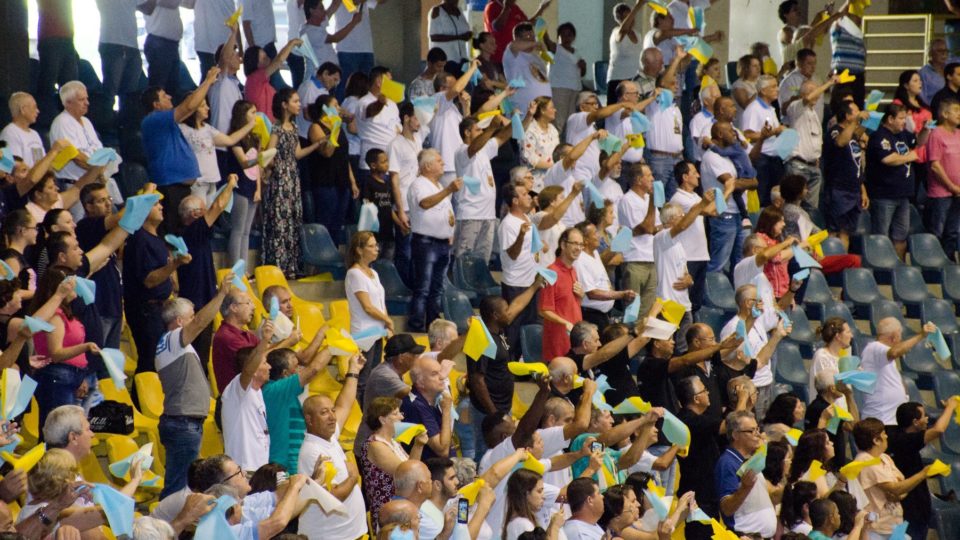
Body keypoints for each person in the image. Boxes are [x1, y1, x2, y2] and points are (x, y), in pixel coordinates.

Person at [155, 273, 234, 499]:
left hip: (185, 422)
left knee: (182, 485)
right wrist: (221, 295)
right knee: (178, 487)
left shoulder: (173, 346)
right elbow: (201, 322)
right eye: (190, 316)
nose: (195, 320)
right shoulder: (172, 339)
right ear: (179, 321)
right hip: (183, 422)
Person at [467, 281, 542, 461]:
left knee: (502, 453)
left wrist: (533, 287)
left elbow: (517, 306)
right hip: (487, 411)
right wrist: (494, 414)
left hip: (501, 407)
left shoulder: (499, 331)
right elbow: (477, 379)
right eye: (505, 310)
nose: (509, 313)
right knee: (485, 454)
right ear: (495, 314)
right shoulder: (481, 339)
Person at [296, 355, 366, 540]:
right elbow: (333, 496)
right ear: (309, 420)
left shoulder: (330, 436)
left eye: (331, 411)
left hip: (349, 534)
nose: (332, 417)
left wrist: (353, 371)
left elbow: (344, 404)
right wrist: (354, 477)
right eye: (324, 412)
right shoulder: (312, 450)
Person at [140, 67, 220, 228]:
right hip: (170, 187)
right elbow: (189, 106)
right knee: (173, 233)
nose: (169, 96)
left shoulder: (165, 121)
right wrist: (208, 81)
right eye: (164, 96)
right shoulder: (154, 120)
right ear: (156, 105)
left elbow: (187, 111)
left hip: (178, 186)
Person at [123, 195, 193, 376]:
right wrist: (175, 264)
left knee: (158, 361)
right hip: (145, 310)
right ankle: (140, 401)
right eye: (155, 204)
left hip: (158, 308)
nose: (161, 207)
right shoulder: (140, 239)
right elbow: (148, 279)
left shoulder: (155, 238)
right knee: (149, 361)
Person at [175, 182, 238, 365]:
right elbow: (218, 206)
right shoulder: (192, 231)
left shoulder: (195, 234)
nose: (208, 212)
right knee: (197, 355)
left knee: (202, 353)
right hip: (198, 301)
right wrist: (231, 184)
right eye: (204, 210)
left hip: (202, 298)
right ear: (195, 214)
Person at [29, 268, 98, 429]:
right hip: (57, 377)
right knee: (59, 432)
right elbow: (56, 353)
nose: (75, 286)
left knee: (69, 431)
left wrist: (81, 377)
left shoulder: (67, 314)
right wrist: (85, 347)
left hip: (72, 376)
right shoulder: (54, 316)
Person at [888, 398, 960, 540]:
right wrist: (950, 407)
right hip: (910, 510)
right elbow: (938, 430)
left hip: (905, 509)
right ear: (915, 422)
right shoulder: (908, 440)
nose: (927, 419)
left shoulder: (891, 433)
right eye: (924, 416)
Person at [653, 193, 716, 351]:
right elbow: (682, 226)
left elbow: (685, 271)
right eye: (682, 216)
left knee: (683, 349)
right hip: (668, 302)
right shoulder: (661, 238)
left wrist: (689, 280)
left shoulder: (678, 244)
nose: (685, 219)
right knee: (662, 348)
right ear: (671, 220)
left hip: (683, 304)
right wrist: (702, 204)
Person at [850, 418, 933, 538]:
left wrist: (899, 493)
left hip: (896, 523)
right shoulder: (864, 461)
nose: (887, 436)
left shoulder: (885, 457)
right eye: (884, 434)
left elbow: (903, 486)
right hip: (876, 528)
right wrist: (923, 474)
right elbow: (896, 488)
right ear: (876, 440)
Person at [407, 149, 460, 332]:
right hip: (426, 242)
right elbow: (425, 203)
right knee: (423, 287)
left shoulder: (438, 185)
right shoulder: (419, 184)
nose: (443, 164)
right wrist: (449, 190)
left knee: (437, 288)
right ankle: (417, 326)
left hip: (442, 242)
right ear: (427, 165)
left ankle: (432, 325)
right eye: (439, 161)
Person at [48, 81, 125, 208]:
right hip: (76, 186)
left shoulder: (86, 121)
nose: (87, 103)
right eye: (81, 100)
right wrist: (98, 171)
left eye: (87, 99)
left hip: (97, 182)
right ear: (68, 102)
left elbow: (99, 151)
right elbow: (77, 157)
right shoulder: (61, 123)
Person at [720, 284, 790, 421]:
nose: (762, 303)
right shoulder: (733, 328)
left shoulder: (758, 321)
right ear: (747, 303)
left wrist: (780, 331)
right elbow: (741, 362)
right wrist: (776, 336)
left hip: (766, 382)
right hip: (750, 387)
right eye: (758, 300)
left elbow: (778, 311)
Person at [361, 397, 429, 531]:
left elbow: (412, 466)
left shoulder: (394, 442)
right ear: (382, 419)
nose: (401, 417)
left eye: (400, 413)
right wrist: (418, 445)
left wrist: (419, 445)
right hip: (388, 509)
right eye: (395, 413)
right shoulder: (375, 446)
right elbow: (406, 474)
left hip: (402, 504)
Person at [701, 121, 757, 274]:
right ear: (719, 134)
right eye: (730, 131)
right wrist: (747, 182)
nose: (735, 133)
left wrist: (745, 182)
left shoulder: (731, 153)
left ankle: (737, 296)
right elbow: (730, 183)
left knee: (741, 264)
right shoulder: (712, 157)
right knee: (718, 264)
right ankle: (714, 296)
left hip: (739, 214)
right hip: (723, 215)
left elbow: (753, 183)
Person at [455, 114, 513, 260]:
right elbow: (473, 147)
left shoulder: (484, 150)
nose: (482, 133)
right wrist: (492, 128)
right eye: (478, 130)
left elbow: (502, 137)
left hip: (488, 215)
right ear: (467, 133)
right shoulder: (462, 151)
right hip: (470, 215)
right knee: (464, 261)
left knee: (482, 263)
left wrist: (522, 119)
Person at [865, 103, 919, 260]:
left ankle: (899, 270)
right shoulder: (879, 136)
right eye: (901, 118)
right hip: (884, 195)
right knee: (881, 237)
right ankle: (880, 272)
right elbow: (888, 159)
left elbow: (918, 144)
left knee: (900, 236)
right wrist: (911, 156)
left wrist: (926, 130)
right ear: (890, 119)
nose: (904, 121)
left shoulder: (902, 134)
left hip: (903, 195)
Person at [861, 318, 938, 426]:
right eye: (900, 335)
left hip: (890, 420)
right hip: (880, 419)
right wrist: (921, 335)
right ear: (894, 336)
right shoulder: (874, 347)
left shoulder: (884, 357)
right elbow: (895, 352)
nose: (900, 339)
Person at [179, 100, 255, 204]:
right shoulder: (183, 129)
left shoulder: (208, 128)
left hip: (212, 180)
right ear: (193, 109)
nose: (208, 108)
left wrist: (250, 126)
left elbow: (230, 140)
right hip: (198, 182)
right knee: (199, 215)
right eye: (202, 106)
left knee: (211, 216)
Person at [715, 411, 775, 537]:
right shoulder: (728, 463)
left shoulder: (753, 460)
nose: (758, 435)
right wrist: (744, 488)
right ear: (735, 435)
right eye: (751, 431)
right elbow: (727, 508)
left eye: (757, 429)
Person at [221, 343, 276, 473]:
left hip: (258, 469)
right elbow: (247, 371)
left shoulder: (257, 392)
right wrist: (265, 339)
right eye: (264, 363)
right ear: (254, 369)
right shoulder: (237, 389)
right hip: (243, 469)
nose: (269, 366)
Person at [822, 100, 869, 251]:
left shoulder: (854, 135)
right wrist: (856, 121)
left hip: (854, 188)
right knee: (834, 231)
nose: (858, 113)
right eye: (855, 111)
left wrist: (863, 190)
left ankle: (842, 264)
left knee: (846, 232)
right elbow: (841, 142)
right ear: (847, 116)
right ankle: (831, 264)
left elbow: (856, 164)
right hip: (838, 189)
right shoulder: (835, 130)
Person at [572, 222, 635, 330]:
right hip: (591, 315)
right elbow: (592, 293)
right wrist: (621, 294)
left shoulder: (595, 253)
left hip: (603, 314)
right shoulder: (580, 260)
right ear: (585, 240)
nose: (599, 236)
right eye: (595, 233)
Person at [617, 161, 660, 313]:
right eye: (648, 175)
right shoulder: (627, 200)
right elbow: (646, 228)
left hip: (651, 258)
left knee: (648, 311)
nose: (653, 179)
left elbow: (658, 228)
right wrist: (653, 203)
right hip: (634, 258)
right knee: (633, 310)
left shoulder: (649, 200)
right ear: (638, 180)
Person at [539, 227, 585, 363]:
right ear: (563, 245)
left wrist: (581, 296)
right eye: (575, 243)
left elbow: (570, 305)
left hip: (574, 341)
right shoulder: (551, 272)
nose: (579, 248)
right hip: (558, 343)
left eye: (581, 244)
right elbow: (543, 310)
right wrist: (566, 323)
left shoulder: (573, 270)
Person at [924, 99, 960, 261]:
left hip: (957, 192)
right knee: (937, 232)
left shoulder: (959, 133)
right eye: (956, 110)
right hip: (941, 193)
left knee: (953, 232)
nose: (959, 114)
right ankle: (934, 268)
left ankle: (949, 266)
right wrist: (952, 186)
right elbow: (935, 165)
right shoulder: (936, 134)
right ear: (945, 114)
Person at [400, 355, 453, 460]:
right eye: (434, 374)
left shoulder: (435, 396)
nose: (442, 376)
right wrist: (446, 410)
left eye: (440, 372)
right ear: (420, 383)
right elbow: (442, 451)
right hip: (431, 470)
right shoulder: (415, 405)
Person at [358, 67, 402, 189]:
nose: (392, 83)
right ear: (379, 81)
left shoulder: (392, 104)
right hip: (371, 167)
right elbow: (371, 111)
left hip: (392, 163)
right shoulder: (364, 102)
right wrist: (380, 103)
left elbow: (398, 128)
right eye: (389, 80)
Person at [243, 39, 302, 122]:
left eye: (266, 56)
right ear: (256, 63)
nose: (268, 59)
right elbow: (278, 60)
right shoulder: (254, 79)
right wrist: (291, 44)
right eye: (264, 58)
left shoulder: (263, 82)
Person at [503, 23, 553, 115]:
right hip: (523, 107)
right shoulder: (512, 52)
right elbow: (515, 45)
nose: (532, 39)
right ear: (517, 38)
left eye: (533, 36)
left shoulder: (536, 56)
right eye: (528, 36)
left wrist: (544, 50)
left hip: (543, 107)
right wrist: (537, 43)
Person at [503, 469, 565, 540]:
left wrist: (552, 525)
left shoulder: (522, 523)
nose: (543, 496)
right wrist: (555, 527)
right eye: (539, 491)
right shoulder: (523, 524)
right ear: (526, 494)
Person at [483, 0, 553, 64]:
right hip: (499, 60)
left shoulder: (515, 8)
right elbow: (497, 27)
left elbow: (527, 24)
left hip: (516, 58)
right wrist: (507, 7)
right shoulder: (491, 7)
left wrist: (541, 8)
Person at [140, 0, 185, 96]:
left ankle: (168, 110)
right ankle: (156, 110)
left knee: (171, 88)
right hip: (159, 42)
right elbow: (172, 3)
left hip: (171, 44)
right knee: (158, 90)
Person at [549, 23, 586, 136]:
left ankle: (567, 146)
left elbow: (582, 74)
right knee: (558, 120)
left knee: (571, 120)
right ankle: (554, 147)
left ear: (573, 37)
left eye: (569, 35)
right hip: (560, 89)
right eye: (563, 35)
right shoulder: (557, 49)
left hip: (574, 89)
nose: (566, 38)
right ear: (558, 36)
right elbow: (547, 42)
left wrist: (583, 66)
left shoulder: (577, 51)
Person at [607, 2, 645, 107]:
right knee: (616, 112)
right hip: (618, 79)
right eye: (627, 16)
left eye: (631, 15)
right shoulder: (617, 32)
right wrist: (638, 6)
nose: (631, 19)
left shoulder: (638, 34)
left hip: (635, 79)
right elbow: (623, 30)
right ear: (619, 19)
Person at [0, 93, 45, 167]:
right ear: (23, 109)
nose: (38, 111)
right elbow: (10, 167)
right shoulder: (9, 133)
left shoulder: (35, 134)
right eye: (34, 107)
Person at [429, 0, 472, 65]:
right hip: (445, 61)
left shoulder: (459, 10)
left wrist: (468, 35)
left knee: (472, 73)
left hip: (462, 59)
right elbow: (434, 37)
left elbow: (464, 31)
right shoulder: (437, 10)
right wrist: (459, 37)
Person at [892, 69, 933, 136]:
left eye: (920, 80)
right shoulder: (899, 103)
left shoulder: (922, 104)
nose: (920, 83)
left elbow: (931, 125)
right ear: (906, 85)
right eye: (915, 81)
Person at [921, 39, 951, 104]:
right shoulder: (923, 73)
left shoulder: (951, 69)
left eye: (946, 51)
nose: (944, 53)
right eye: (940, 51)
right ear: (930, 53)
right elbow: (922, 99)